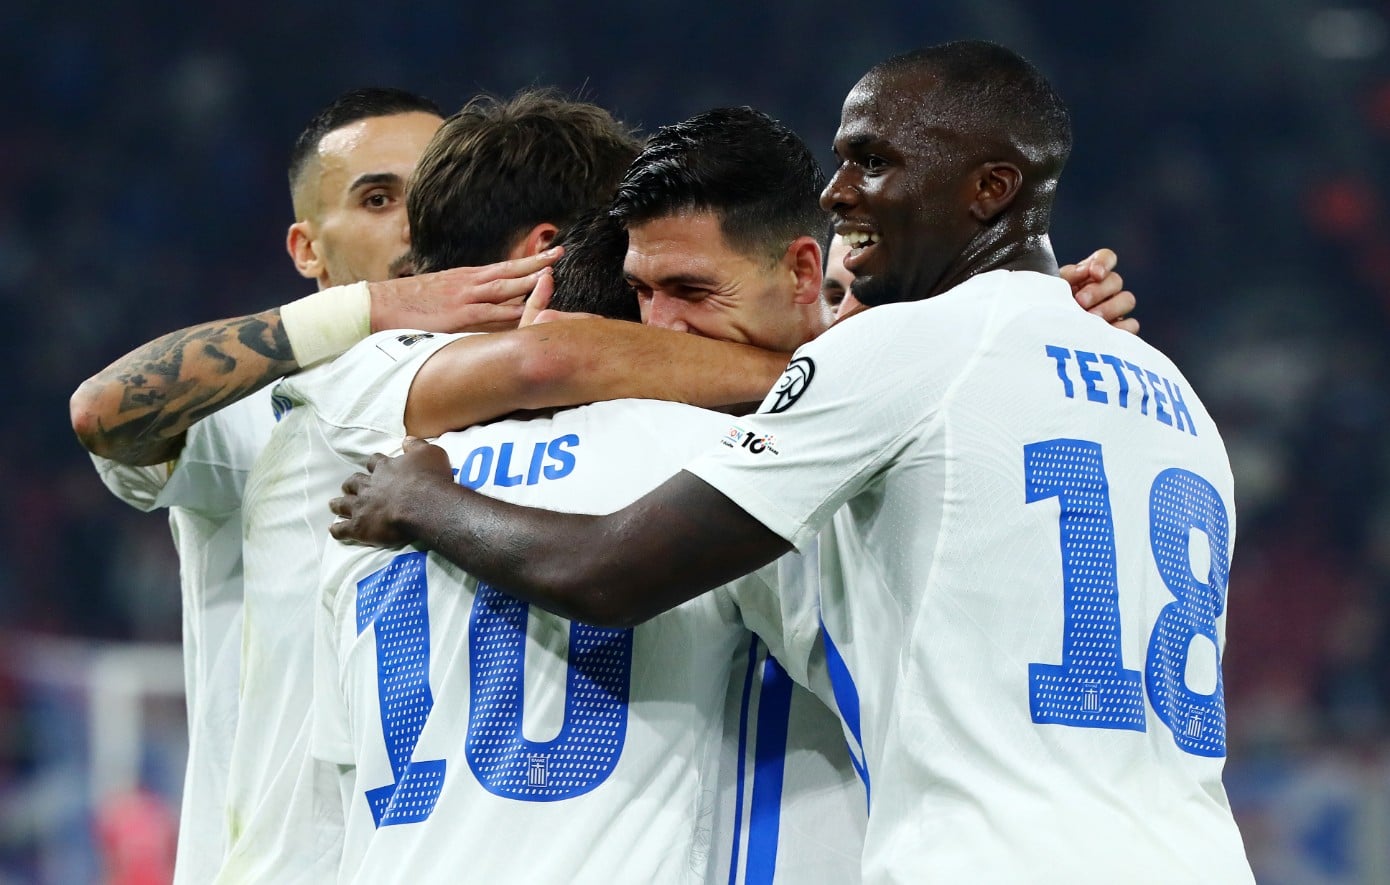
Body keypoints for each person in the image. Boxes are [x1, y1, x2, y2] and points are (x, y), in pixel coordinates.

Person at [330, 43, 1253, 883]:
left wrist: (423, 500)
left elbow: (607, 569)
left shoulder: (900, 360)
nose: (838, 189)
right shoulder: (1172, 394)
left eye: (873, 162)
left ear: (990, 188)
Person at [64, 86, 558, 885]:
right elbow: (104, 411)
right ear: (307, 250)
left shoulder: (546, 394)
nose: (414, 221)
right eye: (376, 198)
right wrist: (380, 306)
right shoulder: (261, 407)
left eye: (437, 190)